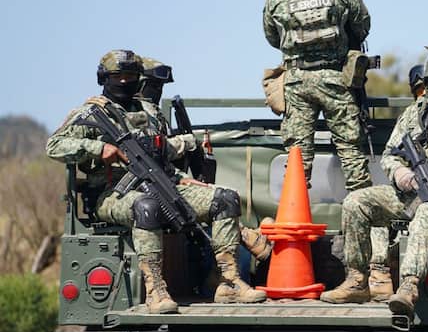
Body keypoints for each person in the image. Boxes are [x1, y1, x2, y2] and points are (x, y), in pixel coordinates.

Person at [46, 50, 266, 313]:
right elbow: (54, 145)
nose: (125, 82)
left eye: (130, 76)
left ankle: (228, 283)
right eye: (118, 76)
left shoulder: (150, 112)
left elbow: (162, 157)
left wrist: (182, 165)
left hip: (161, 183)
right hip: (111, 193)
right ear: (105, 78)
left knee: (225, 199)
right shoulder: (91, 113)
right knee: (146, 207)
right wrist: (96, 149)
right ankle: (155, 291)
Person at [319, 52, 428, 317]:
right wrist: (399, 172)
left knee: (427, 211)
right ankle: (357, 280)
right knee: (356, 202)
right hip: (411, 191)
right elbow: (390, 154)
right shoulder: (415, 113)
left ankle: (408, 287)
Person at [262, 0, 372, 191]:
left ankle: (294, 223)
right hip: (337, 80)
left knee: (298, 161)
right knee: (353, 157)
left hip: (296, 84)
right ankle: (367, 223)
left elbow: (271, 36)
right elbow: (363, 26)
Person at [137, 56, 273, 264]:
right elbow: (151, 152)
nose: (158, 90)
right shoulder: (136, 114)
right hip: (145, 188)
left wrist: (183, 178)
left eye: (160, 85)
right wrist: (186, 142)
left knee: (222, 198)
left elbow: (158, 163)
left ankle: (227, 267)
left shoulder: (154, 115)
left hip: (163, 181)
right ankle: (246, 238)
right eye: (154, 85)